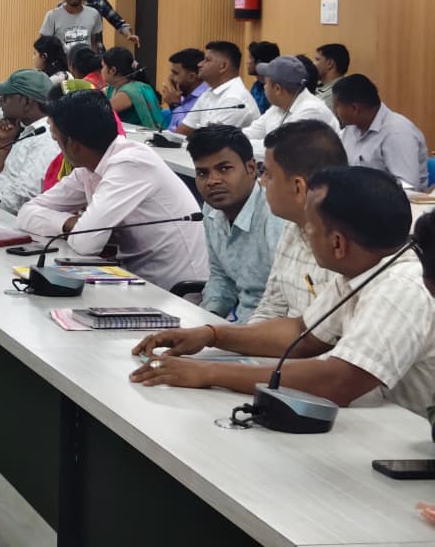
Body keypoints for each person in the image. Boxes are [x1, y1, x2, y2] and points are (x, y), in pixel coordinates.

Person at [130, 167, 435, 418]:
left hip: (405, 439)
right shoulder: (365, 269)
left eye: (310, 227)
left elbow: (339, 382)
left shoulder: (401, 287)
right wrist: (212, 335)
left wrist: (207, 373)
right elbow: (302, 333)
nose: (306, 233)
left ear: (338, 243)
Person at [17, 90, 207, 289]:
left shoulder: (131, 163)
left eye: (57, 140)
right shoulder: (89, 168)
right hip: (135, 281)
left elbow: (86, 243)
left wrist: (76, 227)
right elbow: (26, 213)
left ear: (72, 144)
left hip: (175, 291)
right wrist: (70, 223)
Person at [249, 120, 348, 321]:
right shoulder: (292, 226)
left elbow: (331, 335)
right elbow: (270, 309)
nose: (262, 182)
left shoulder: (348, 246)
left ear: (298, 187)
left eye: (267, 174)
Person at [185, 125, 286, 322]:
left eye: (224, 169)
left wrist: (225, 335)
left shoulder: (275, 216)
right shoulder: (210, 210)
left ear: (251, 168)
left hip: (269, 329)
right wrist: (208, 319)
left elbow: (286, 302)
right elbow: (222, 278)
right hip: (236, 326)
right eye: (202, 173)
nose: (212, 181)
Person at [333, 74, 428, 190]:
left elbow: (408, 187)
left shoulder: (397, 133)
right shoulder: (351, 128)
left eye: (337, 106)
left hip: (394, 200)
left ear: (355, 109)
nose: (335, 111)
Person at [0, 69, 57, 213]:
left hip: (9, 218)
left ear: (27, 102)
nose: (0, 103)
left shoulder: (46, 139)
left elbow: (21, 200)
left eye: (6, 97)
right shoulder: (26, 131)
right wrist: (4, 145)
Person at [241, 55, 339, 141]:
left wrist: (239, 147)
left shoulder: (311, 111)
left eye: (266, 83)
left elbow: (280, 150)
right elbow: (252, 132)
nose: (264, 87)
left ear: (277, 89)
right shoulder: (279, 106)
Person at [176, 41, 260, 133]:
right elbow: (184, 130)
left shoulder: (235, 99)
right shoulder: (209, 92)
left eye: (207, 60)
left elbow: (213, 140)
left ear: (223, 66)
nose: (199, 64)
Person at [100, 48, 163, 130]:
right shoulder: (112, 88)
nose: (101, 70)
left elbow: (100, 112)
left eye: (102, 67)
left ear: (113, 70)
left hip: (142, 136)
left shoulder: (130, 91)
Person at [39, 0, 103, 51]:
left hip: (86, 58)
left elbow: (94, 43)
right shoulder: (52, 16)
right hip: (61, 59)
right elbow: (42, 46)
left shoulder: (93, 14)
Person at [162, 48, 209, 132]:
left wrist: (175, 105)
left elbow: (185, 132)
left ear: (191, 77)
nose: (170, 78)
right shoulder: (184, 94)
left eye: (175, 73)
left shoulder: (205, 97)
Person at [246, 41, 280, 114]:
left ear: (259, 63)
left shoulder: (275, 89)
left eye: (250, 58)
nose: (247, 62)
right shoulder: (256, 85)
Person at [313, 43, 350, 109]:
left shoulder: (336, 95)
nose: (313, 64)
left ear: (330, 63)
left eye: (317, 59)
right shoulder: (317, 85)